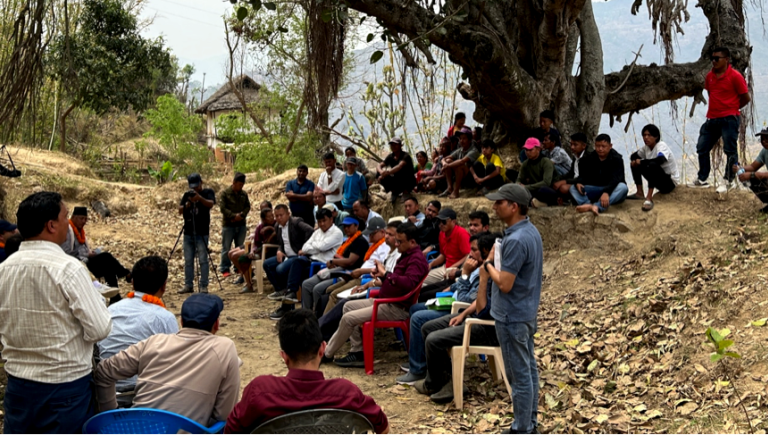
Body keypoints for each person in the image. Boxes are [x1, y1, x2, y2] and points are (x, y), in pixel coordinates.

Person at [0, 192, 112, 434]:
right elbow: (100, 328)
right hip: (65, 388)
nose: (67, 224)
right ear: (51, 225)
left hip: (19, 385)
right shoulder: (69, 269)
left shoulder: (4, 269)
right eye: (64, 217)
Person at [225, 309, 389, 434]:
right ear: (322, 349)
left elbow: (231, 431)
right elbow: (383, 427)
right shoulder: (346, 392)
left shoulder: (260, 391)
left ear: (284, 356)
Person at [94, 293, 240, 427]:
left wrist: (111, 416)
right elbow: (224, 414)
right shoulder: (224, 348)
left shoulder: (154, 342)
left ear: (181, 321)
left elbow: (103, 372)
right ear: (216, 324)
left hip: (136, 429)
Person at [322, 222, 428, 368]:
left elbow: (408, 284)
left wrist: (386, 275)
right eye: (396, 240)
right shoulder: (406, 255)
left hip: (396, 307)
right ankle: (358, 352)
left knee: (348, 318)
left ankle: (326, 354)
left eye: (400, 241)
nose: (396, 244)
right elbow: (395, 281)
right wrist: (383, 276)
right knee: (347, 306)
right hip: (384, 301)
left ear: (412, 242)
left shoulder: (416, 259)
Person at [397, 233, 494, 387]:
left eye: (475, 250)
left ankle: (425, 373)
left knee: (421, 321)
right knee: (418, 309)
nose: (471, 253)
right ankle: (425, 365)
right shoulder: (478, 268)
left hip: (464, 310)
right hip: (460, 308)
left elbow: (466, 300)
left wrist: (464, 275)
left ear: (486, 252)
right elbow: (466, 293)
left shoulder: (487, 272)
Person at [485, 184, 543, 434]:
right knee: (528, 369)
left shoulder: (517, 239)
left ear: (514, 206)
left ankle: (522, 429)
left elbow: (505, 284)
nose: (495, 206)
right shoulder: (529, 231)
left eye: (500, 202)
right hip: (525, 312)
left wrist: (487, 265)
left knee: (518, 375)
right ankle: (529, 423)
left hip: (512, 316)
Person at [98, 256, 179, 394]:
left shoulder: (110, 310)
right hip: (144, 392)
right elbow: (174, 362)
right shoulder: (165, 318)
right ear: (164, 286)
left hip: (105, 388)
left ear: (133, 283)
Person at [693, 46, 750, 192]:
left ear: (726, 59)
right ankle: (702, 178)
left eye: (717, 58)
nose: (714, 61)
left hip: (729, 119)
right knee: (702, 147)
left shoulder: (735, 76)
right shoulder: (710, 77)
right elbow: (711, 94)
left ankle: (728, 180)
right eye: (712, 58)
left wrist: (732, 108)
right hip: (712, 119)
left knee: (730, 150)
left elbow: (745, 98)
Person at [270, 208, 343, 320]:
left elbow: (322, 247)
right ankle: (291, 295)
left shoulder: (336, 233)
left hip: (323, 264)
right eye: (319, 221)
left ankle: (298, 309)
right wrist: (315, 248)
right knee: (295, 264)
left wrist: (313, 247)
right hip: (311, 260)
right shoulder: (317, 232)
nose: (322, 224)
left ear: (331, 219)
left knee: (297, 275)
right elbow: (305, 247)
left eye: (324, 220)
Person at [301, 216, 369, 317]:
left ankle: (318, 318)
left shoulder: (360, 241)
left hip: (346, 274)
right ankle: (305, 315)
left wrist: (334, 261)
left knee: (318, 289)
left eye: (348, 226)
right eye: (344, 226)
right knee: (306, 284)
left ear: (356, 226)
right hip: (336, 269)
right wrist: (336, 262)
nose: (346, 229)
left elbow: (350, 262)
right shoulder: (347, 240)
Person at [321, 217, 391, 314]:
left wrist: (361, 271)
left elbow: (381, 268)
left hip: (364, 278)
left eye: (372, 233)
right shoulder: (375, 245)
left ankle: (324, 326)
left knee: (334, 295)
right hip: (356, 275)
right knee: (329, 289)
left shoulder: (385, 247)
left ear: (382, 232)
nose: (369, 236)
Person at [61, 206, 132, 301]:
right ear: (73, 218)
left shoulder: (81, 232)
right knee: (106, 257)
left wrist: (91, 252)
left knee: (108, 266)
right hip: (78, 265)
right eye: (81, 218)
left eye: (85, 219)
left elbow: (84, 249)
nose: (83, 221)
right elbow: (66, 253)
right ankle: (125, 273)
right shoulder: (68, 231)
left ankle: (115, 298)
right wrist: (86, 254)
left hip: (87, 261)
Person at [265, 205, 315, 302]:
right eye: (277, 216)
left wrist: (304, 248)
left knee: (280, 269)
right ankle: (280, 289)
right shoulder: (277, 226)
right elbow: (281, 243)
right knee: (267, 264)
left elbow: (310, 230)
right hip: (286, 255)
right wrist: (280, 250)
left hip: (297, 255)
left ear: (288, 214)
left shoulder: (296, 222)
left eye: (281, 215)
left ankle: (289, 290)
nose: (279, 218)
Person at [570, 134, 629, 215]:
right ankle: (587, 204)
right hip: (595, 189)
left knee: (623, 188)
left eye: (603, 146)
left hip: (611, 189)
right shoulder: (590, 158)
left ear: (610, 146)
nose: (600, 149)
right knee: (573, 188)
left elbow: (617, 179)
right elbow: (584, 175)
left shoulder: (616, 159)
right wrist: (578, 182)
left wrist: (606, 192)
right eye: (598, 146)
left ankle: (597, 206)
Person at [179, 173, 216, 294]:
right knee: (188, 260)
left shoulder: (207, 192)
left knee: (203, 259)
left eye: (197, 186)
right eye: (192, 187)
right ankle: (188, 284)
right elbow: (180, 210)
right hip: (188, 231)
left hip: (202, 231)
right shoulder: (187, 195)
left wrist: (199, 198)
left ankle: (204, 285)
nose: (195, 189)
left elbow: (210, 204)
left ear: (201, 183)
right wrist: (188, 204)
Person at [630, 124, 680, 211]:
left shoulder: (661, 146)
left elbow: (661, 160)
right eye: (644, 135)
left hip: (669, 182)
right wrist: (636, 162)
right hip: (658, 179)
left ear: (656, 137)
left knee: (652, 165)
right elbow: (633, 156)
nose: (646, 138)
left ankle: (649, 198)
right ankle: (639, 192)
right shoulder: (646, 148)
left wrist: (642, 162)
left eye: (649, 135)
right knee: (634, 163)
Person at [229, 207, 277, 293]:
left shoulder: (276, 224)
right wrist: (252, 251)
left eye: (272, 216)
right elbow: (256, 243)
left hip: (273, 251)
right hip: (261, 251)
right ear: (263, 219)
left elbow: (278, 236)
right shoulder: (260, 227)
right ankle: (249, 284)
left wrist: (271, 229)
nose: (272, 218)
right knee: (243, 258)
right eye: (269, 217)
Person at [423, 208, 471, 286]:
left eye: (444, 222)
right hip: (445, 267)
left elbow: (467, 256)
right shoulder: (442, 234)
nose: (441, 224)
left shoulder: (462, 233)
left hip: (457, 269)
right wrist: (431, 264)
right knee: (421, 281)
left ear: (453, 222)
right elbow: (443, 255)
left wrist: (452, 268)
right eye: (439, 222)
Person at [219, 172, 251, 277]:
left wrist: (242, 215)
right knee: (226, 248)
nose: (241, 187)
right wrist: (233, 216)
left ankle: (237, 267)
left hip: (241, 224)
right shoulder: (225, 193)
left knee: (239, 247)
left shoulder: (244, 194)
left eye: (242, 185)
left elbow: (247, 206)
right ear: (234, 182)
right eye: (239, 185)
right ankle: (224, 268)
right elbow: (223, 208)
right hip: (228, 225)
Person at [516, 137, 562, 207]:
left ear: (538, 149)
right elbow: (519, 178)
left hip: (547, 190)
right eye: (526, 150)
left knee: (542, 190)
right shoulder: (525, 163)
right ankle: (534, 202)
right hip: (533, 188)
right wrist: (518, 185)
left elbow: (546, 182)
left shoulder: (546, 162)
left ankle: (535, 201)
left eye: (530, 150)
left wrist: (526, 187)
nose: (527, 152)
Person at [733, 128, 768, 212]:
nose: (764, 141)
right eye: (762, 139)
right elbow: (753, 167)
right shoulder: (764, 151)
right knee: (750, 179)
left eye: (766, 138)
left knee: (753, 176)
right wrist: (740, 169)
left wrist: (752, 175)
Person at [440, 127, 480, 199]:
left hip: (472, 177)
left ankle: (456, 192)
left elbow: (462, 161)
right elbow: (444, 158)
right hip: (460, 175)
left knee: (459, 165)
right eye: (460, 138)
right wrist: (444, 163)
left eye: (464, 138)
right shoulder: (460, 150)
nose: (461, 141)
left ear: (470, 140)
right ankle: (450, 188)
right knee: (448, 161)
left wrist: (447, 166)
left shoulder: (474, 151)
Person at [378, 137, 417, 203]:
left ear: (400, 145)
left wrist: (387, 172)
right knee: (380, 176)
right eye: (392, 145)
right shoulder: (391, 156)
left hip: (408, 180)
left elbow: (399, 166)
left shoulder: (405, 156)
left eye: (395, 144)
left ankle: (406, 192)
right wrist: (381, 172)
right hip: (397, 180)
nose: (393, 146)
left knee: (404, 174)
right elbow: (380, 165)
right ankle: (394, 192)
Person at [552, 133, 589, 197]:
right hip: (575, 180)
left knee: (563, 188)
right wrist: (558, 179)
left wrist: (565, 181)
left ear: (584, 146)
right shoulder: (575, 156)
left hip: (584, 183)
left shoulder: (588, 158)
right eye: (571, 144)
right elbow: (571, 173)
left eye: (575, 145)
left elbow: (584, 178)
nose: (572, 147)